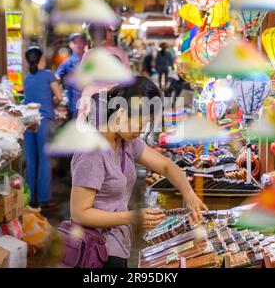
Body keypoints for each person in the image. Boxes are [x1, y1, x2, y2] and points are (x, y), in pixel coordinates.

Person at [70, 77, 207, 268]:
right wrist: (133, 217)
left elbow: (167, 166)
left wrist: (189, 194)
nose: (142, 131)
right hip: (96, 253)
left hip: (115, 245)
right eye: (141, 123)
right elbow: (79, 214)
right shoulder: (92, 152)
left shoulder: (125, 143)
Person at [24, 46, 63, 208]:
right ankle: (44, 198)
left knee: (31, 160)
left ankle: (30, 198)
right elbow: (59, 97)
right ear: (41, 59)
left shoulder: (27, 78)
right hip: (43, 120)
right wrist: (51, 104)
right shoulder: (48, 75)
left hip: (28, 121)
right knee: (45, 159)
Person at [55, 33, 87, 119]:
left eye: (80, 42)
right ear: (70, 45)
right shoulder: (68, 62)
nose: (78, 45)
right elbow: (57, 76)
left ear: (85, 43)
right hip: (75, 104)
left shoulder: (91, 59)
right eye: (75, 42)